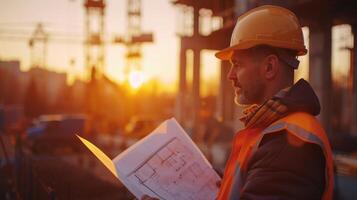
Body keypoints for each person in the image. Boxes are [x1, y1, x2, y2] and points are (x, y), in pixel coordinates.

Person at [142, 5, 334, 200]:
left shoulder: (288, 146)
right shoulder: (273, 131)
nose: (230, 76)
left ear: (269, 67)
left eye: (238, 64)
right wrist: (229, 184)